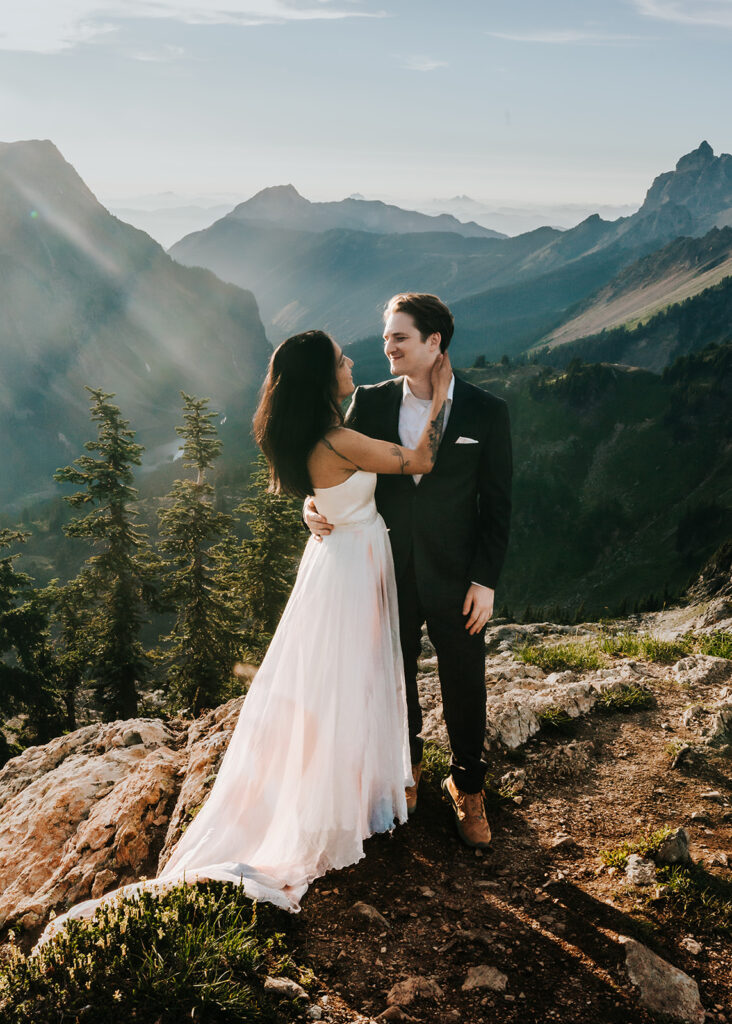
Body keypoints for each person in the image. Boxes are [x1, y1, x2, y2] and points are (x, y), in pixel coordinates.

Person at [34, 329, 452, 949]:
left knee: (340, 677)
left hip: (338, 559)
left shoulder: (308, 438)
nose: (351, 362)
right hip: (353, 565)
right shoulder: (337, 438)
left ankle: (352, 789)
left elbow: (326, 487)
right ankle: (344, 800)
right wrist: (440, 397)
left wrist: (317, 504)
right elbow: (419, 460)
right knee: (353, 676)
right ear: (321, 377)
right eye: (340, 359)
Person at [305, 293, 512, 850]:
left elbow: (497, 506)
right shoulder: (369, 401)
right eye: (385, 337)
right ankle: (408, 768)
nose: (387, 347)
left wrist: (485, 581)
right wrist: (313, 503)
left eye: (399, 338)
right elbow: (335, 462)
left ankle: (468, 786)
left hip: (457, 575)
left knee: (464, 680)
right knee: (393, 674)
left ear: (433, 342)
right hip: (384, 568)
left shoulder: (486, 412)